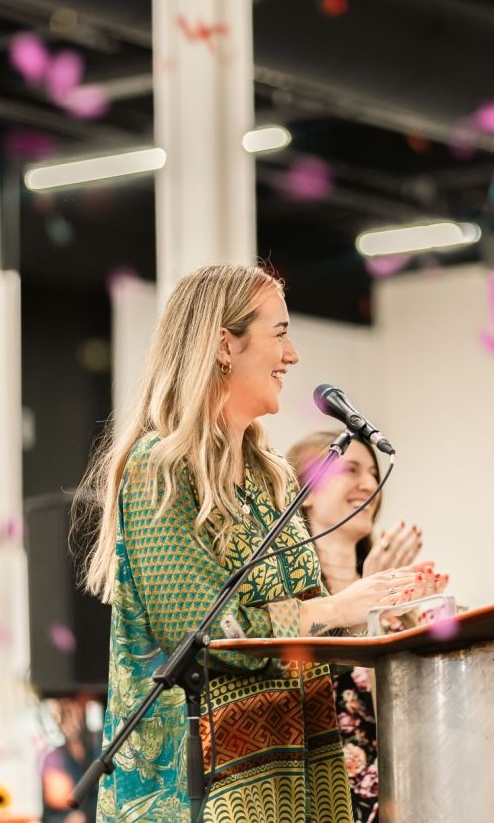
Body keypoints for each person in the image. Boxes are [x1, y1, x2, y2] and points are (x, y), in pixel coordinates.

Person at [76, 263, 430, 822]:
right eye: (280, 333)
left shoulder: (273, 478)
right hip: (202, 791)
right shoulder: (158, 469)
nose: (292, 356)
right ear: (224, 345)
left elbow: (309, 628)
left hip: (297, 779)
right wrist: (337, 607)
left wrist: (386, 612)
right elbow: (203, 634)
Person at [288, 430, 445, 823]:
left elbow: (424, 713)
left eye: (374, 473)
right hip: (324, 800)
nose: (370, 485)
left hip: (407, 794)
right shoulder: (293, 603)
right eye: (351, 470)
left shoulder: (399, 593)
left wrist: (408, 613)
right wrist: (370, 610)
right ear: (305, 491)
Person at [41, 697, 100, 823]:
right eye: (65, 716)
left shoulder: (94, 751)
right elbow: (58, 798)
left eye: (76, 715)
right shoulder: (54, 757)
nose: (71, 723)